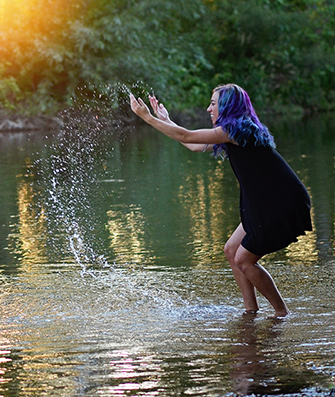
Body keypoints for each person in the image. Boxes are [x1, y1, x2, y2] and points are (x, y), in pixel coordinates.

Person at [130, 84, 312, 317]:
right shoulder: (232, 132)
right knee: (232, 250)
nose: (208, 108)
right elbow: (192, 144)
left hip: (281, 201)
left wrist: (147, 118)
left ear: (227, 107)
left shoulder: (235, 131)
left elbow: (187, 135)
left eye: (213, 104)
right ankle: (250, 312)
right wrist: (167, 120)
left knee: (245, 260)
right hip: (266, 201)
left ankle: (281, 313)